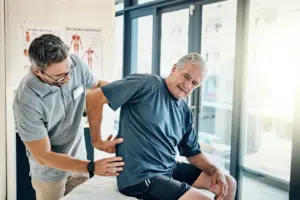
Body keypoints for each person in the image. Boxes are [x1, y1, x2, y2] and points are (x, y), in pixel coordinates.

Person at [86, 53, 237, 200]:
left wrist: (215, 170)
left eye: (194, 84)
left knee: (229, 183)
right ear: (174, 69)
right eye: (186, 76)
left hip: (169, 168)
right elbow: (94, 97)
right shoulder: (147, 83)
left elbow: (193, 155)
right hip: (139, 176)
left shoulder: (184, 111)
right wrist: (97, 141)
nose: (187, 85)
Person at [13, 34, 124, 200]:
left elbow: (98, 87)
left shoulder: (75, 64)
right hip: (49, 173)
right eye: (60, 76)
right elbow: (44, 156)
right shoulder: (27, 100)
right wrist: (92, 166)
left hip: (79, 160)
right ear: (38, 71)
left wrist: (126, 97)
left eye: (69, 69)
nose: (69, 78)